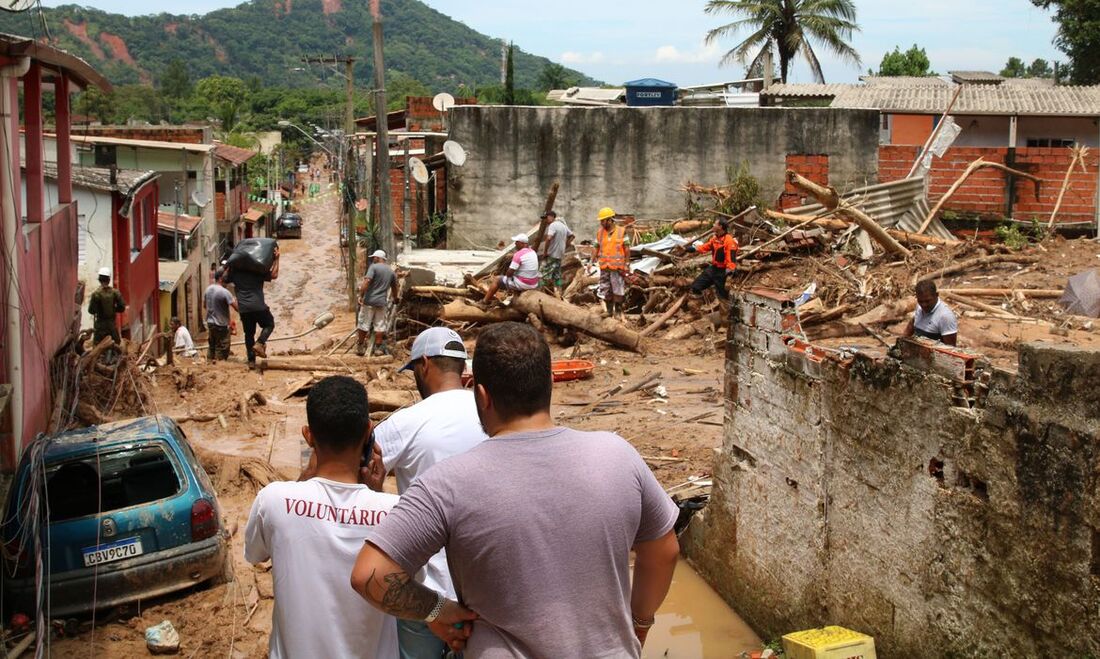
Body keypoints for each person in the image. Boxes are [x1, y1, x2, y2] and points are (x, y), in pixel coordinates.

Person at [352, 322, 680, 657]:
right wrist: (639, 622)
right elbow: (664, 552)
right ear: (550, 383)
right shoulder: (618, 455)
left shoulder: (446, 483)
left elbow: (370, 575)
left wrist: (437, 610)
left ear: (482, 395)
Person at [245, 376, 400, 659]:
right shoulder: (395, 512)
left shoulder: (274, 500)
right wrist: (376, 494)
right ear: (368, 433)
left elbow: (255, 554)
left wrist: (302, 481)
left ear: (308, 435)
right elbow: (411, 583)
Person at [365, 327, 488, 658]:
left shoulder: (407, 422)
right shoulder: (492, 413)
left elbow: (355, 471)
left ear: (425, 365)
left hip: (428, 596)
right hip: (487, 588)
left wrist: (377, 492)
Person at [225, 245, 279, 368]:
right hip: (259, 306)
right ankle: (260, 343)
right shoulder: (257, 271)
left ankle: (251, 361)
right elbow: (274, 275)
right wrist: (277, 259)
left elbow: (223, 279)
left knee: (249, 334)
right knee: (269, 324)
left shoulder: (235, 273)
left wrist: (229, 265)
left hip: (244, 309)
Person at [357, 250, 400, 357]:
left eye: (374, 257)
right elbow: (395, 287)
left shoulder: (373, 267)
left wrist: (360, 295)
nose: (373, 259)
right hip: (381, 302)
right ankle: (378, 348)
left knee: (363, 323)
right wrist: (395, 298)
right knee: (380, 325)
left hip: (369, 301)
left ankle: (361, 346)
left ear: (378, 258)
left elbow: (367, 281)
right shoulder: (391, 271)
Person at [687, 220, 739, 301]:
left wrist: (729, 276)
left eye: (715, 223)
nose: (713, 224)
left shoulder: (729, 241)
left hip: (723, 271)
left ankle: (726, 310)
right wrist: (694, 249)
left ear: (720, 227)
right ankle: (701, 304)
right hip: (714, 268)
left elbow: (731, 259)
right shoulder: (715, 238)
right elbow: (705, 247)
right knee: (696, 286)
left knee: (723, 296)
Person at [481, 234, 540, 303]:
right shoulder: (532, 252)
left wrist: (508, 273)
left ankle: (484, 301)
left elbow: (509, 273)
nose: (515, 244)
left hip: (524, 284)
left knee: (497, 279)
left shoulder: (518, 254)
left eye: (516, 242)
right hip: (534, 283)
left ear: (521, 243)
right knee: (515, 277)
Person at [595, 207, 631, 319]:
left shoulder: (621, 231)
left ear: (610, 220)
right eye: (601, 221)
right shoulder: (600, 233)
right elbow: (595, 247)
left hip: (617, 267)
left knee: (618, 290)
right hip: (604, 266)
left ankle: (619, 312)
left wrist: (627, 263)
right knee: (606, 289)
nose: (601, 223)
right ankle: (609, 311)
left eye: (603, 220)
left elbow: (627, 248)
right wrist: (591, 262)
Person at [905, 280, 958, 346]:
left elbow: (950, 348)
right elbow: (913, 323)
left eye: (927, 301)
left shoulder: (945, 316)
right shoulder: (919, 307)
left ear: (936, 295)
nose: (924, 305)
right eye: (920, 301)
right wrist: (904, 339)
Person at [87, 266, 127, 347]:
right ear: (109, 279)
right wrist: (113, 309)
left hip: (100, 326)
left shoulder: (96, 294)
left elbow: (91, 310)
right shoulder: (115, 292)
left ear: (99, 279)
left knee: (97, 347)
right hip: (111, 326)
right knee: (117, 345)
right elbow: (122, 307)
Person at [204, 268, 237, 362]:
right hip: (221, 325)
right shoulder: (225, 292)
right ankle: (219, 366)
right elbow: (237, 308)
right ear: (221, 278)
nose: (228, 279)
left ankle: (209, 364)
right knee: (222, 347)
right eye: (226, 277)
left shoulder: (208, 289)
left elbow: (204, 305)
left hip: (210, 323)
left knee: (212, 346)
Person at [537, 210, 574, 293]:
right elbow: (572, 236)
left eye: (546, 218)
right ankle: (559, 292)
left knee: (541, 275)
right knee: (557, 276)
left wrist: (545, 252)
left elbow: (549, 238)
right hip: (559, 255)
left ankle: (540, 292)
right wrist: (565, 246)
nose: (545, 220)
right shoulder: (563, 225)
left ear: (551, 217)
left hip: (551, 255)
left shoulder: (552, 225)